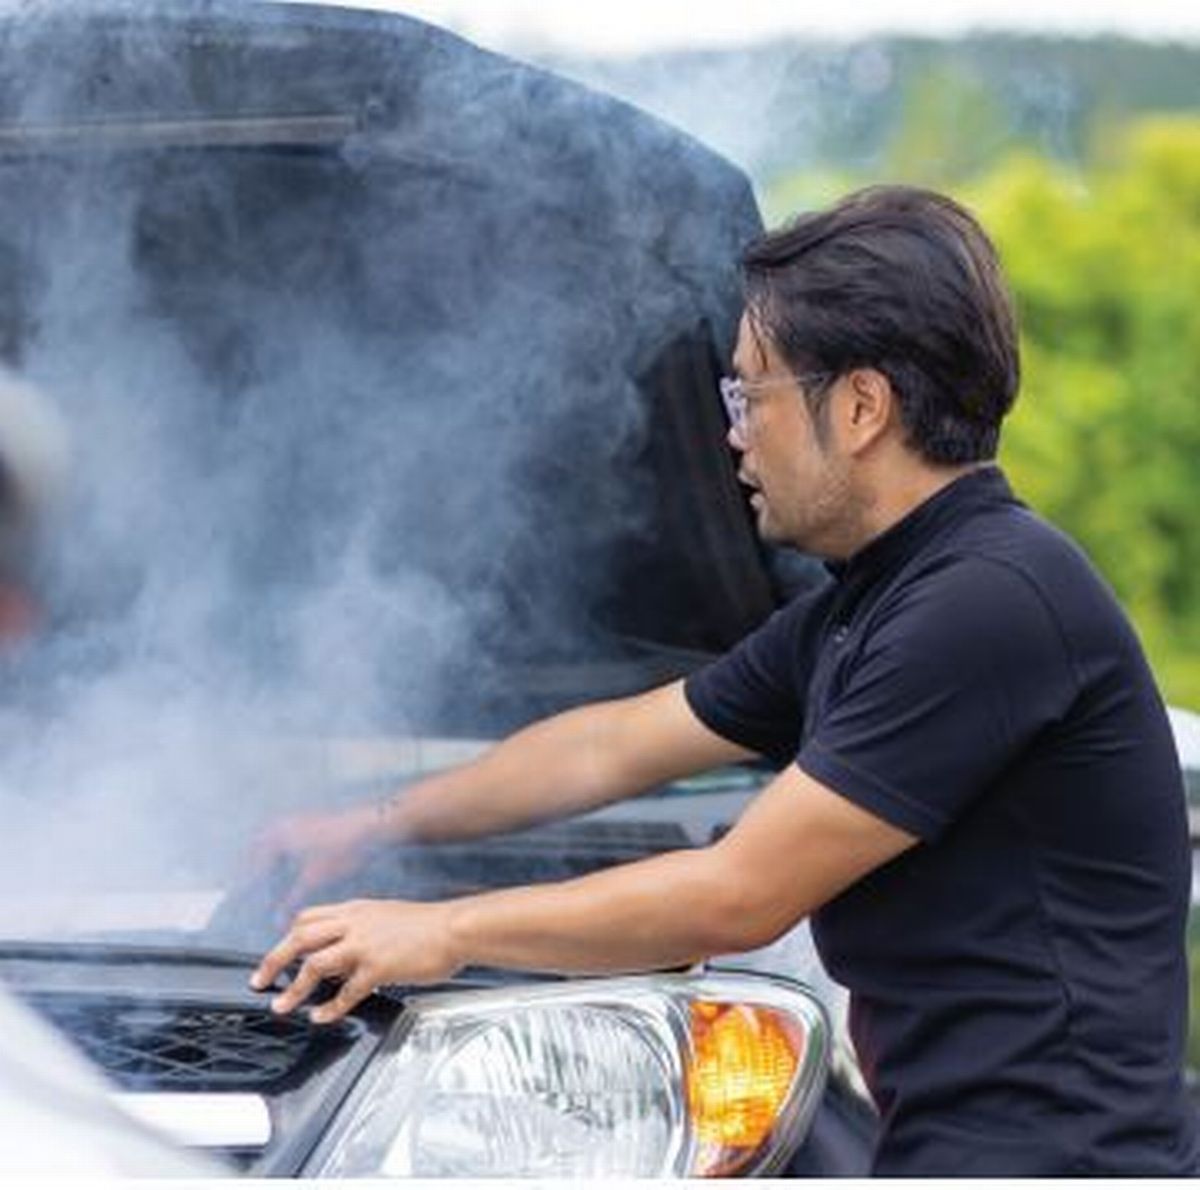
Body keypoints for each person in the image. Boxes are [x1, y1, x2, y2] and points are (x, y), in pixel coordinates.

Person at [249, 184, 1200, 1176]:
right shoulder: (866, 608)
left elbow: (734, 895)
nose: (733, 431)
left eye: (750, 392)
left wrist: (440, 930)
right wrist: (379, 822)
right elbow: (611, 743)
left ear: (863, 405)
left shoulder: (991, 603)